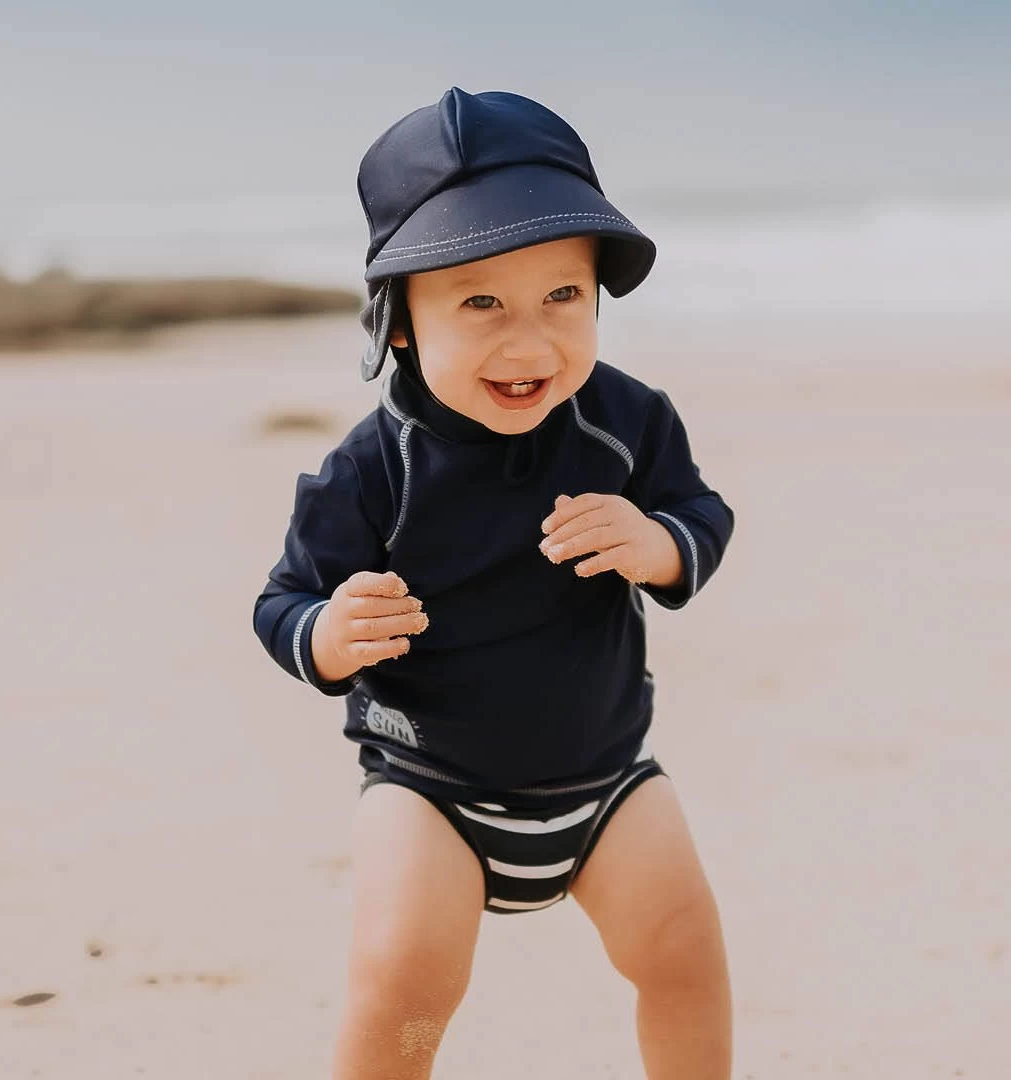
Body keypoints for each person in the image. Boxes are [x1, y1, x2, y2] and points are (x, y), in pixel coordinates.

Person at [253, 87, 735, 1080]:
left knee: (685, 959)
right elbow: (284, 604)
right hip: (429, 787)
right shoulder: (372, 470)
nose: (531, 342)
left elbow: (701, 515)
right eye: (481, 303)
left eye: (563, 296)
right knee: (404, 985)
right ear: (396, 323)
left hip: (609, 779)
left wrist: (656, 543)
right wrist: (331, 633)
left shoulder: (627, 423)